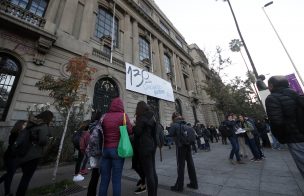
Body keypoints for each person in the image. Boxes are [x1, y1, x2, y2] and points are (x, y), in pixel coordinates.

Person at [265, 75, 304, 178]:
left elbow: (277, 122)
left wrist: (282, 138)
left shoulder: (272, 98)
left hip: (295, 138)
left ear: (272, 86)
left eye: (268, 85)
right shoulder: (296, 94)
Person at [99, 97, 132, 196]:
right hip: (118, 150)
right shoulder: (123, 116)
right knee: (116, 179)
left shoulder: (104, 116)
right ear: (121, 106)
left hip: (105, 150)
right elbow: (130, 131)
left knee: (104, 179)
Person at [15, 110, 54, 196]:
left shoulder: (31, 123)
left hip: (23, 152)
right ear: (48, 118)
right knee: (26, 178)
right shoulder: (43, 126)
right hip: (33, 155)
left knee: (19, 175)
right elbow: (43, 140)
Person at [133, 101, 158, 195]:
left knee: (149, 173)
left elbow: (137, 132)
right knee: (153, 171)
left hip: (144, 147)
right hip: (152, 146)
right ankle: (154, 193)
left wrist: (134, 126)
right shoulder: (152, 117)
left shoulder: (141, 117)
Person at [169, 112, 198, 192]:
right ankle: (194, 183)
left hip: (180, 146)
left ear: (173, 117)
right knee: (190, 164)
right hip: (188, 146)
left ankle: (179, 186)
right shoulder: (185, 123)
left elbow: (170, 134)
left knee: (180, 166)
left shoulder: (174, 124)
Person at [0, 120, 27, 196]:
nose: (25, 126)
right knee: (10, 175)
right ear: (20, 125)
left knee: (9, 174)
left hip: (13, 156)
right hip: (11, 156)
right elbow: (14, 146)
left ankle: (7, 192)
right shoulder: (15, 134)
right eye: (24, 125)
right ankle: (7, 193)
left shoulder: (19, 134)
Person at [86, 112, 102, 196]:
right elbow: (95, 140)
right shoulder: (97, 126)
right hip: (97, 154)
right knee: (95, 176)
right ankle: (91, 193)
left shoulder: (90, 126)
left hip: (91, 153)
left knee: (94, 175)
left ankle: (91, 193)